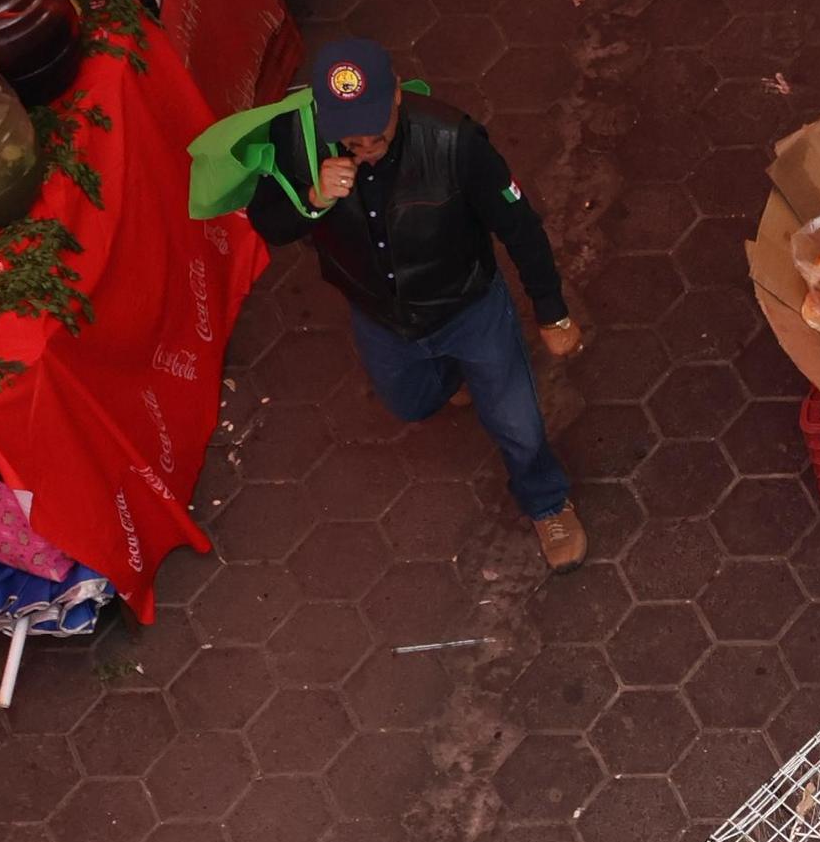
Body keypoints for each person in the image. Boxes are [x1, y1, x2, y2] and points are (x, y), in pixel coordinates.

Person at [244, 37, 592, 572]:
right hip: (381, 318)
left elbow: (519, 225)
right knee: (409, 403)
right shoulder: (298, 142)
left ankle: (547, 501)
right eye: (349, 132)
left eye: (374, 127)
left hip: (468, 307)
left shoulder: (454, 142)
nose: (363, 143)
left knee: (516, 422)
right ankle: (454, 379)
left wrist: (551, 309)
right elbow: (266, 220)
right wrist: (311, 200)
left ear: (399, 96)